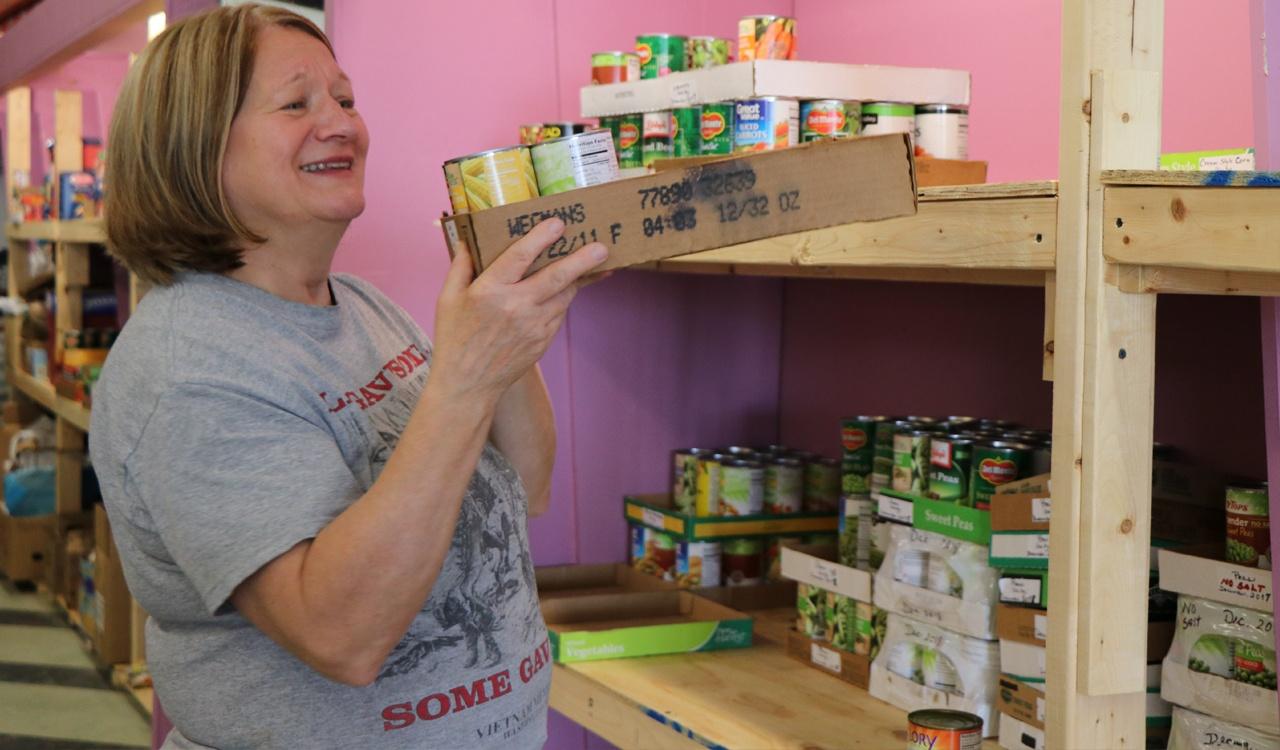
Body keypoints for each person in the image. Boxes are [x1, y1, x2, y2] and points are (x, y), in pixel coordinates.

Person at [89, 4, 606, 748]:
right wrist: (462, 379)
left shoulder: (358, 303)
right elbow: (340, 637)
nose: (341, 124)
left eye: (346, 99)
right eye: (297, 103)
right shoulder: (188, 372)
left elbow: (527, 487)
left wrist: (508, 331)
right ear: (193, 148)